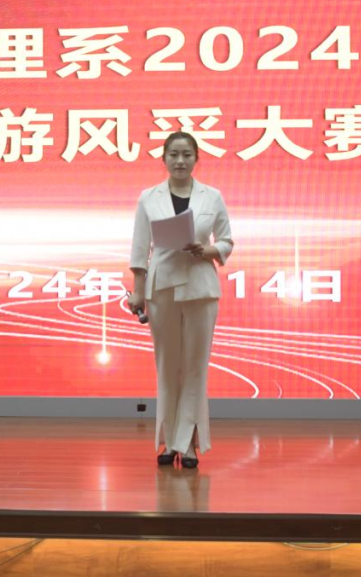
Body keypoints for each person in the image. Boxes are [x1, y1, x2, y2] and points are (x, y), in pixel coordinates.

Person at [128, 131, 233, 469]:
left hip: (201, 287)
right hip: (161, 289)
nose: (180, 161)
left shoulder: (212, 197)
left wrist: (208, 249)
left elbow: (227, 241)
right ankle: (169, 442)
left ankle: (188, 444)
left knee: (194, 367)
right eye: (173, 154)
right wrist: (137, 290)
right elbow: (140, 249)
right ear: (164, 158)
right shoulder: (149, 198)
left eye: (187, 154)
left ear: (196, 158)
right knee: (167, 366)